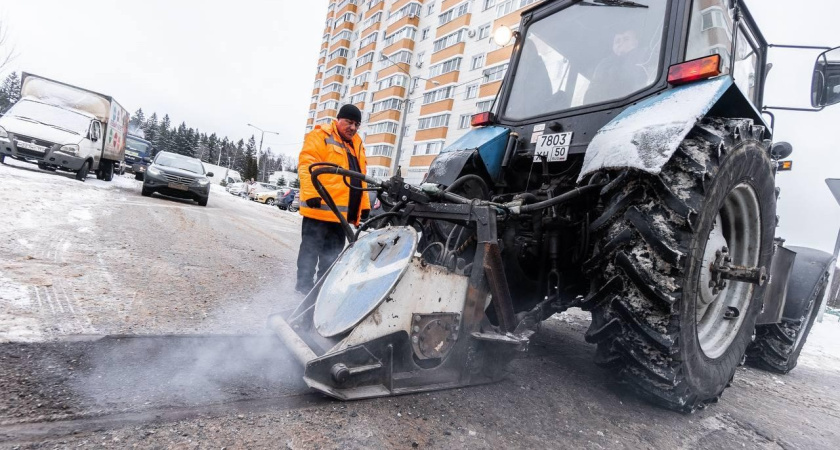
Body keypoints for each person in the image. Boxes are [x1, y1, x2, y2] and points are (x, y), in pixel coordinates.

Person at [295, 104, 371, 294]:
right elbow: (307, 165)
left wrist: (365, 205)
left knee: (333, 257)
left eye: (356, 124)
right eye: (349, 122)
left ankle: (321, 291)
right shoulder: (321, 136)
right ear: (339, 120)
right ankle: (303, 287)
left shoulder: (358, 145)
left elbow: (360, 177)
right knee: (310, 252)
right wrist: (312, 192)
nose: (353, 128)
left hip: (341, 216)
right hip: (319, 210)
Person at [585, 28, 650, 104]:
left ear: (636, 43)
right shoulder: (603, 65)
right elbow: (591, 95)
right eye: (617, 41)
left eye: (626, 39)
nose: (620, 43)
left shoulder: (646, 56)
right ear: (613, 46)